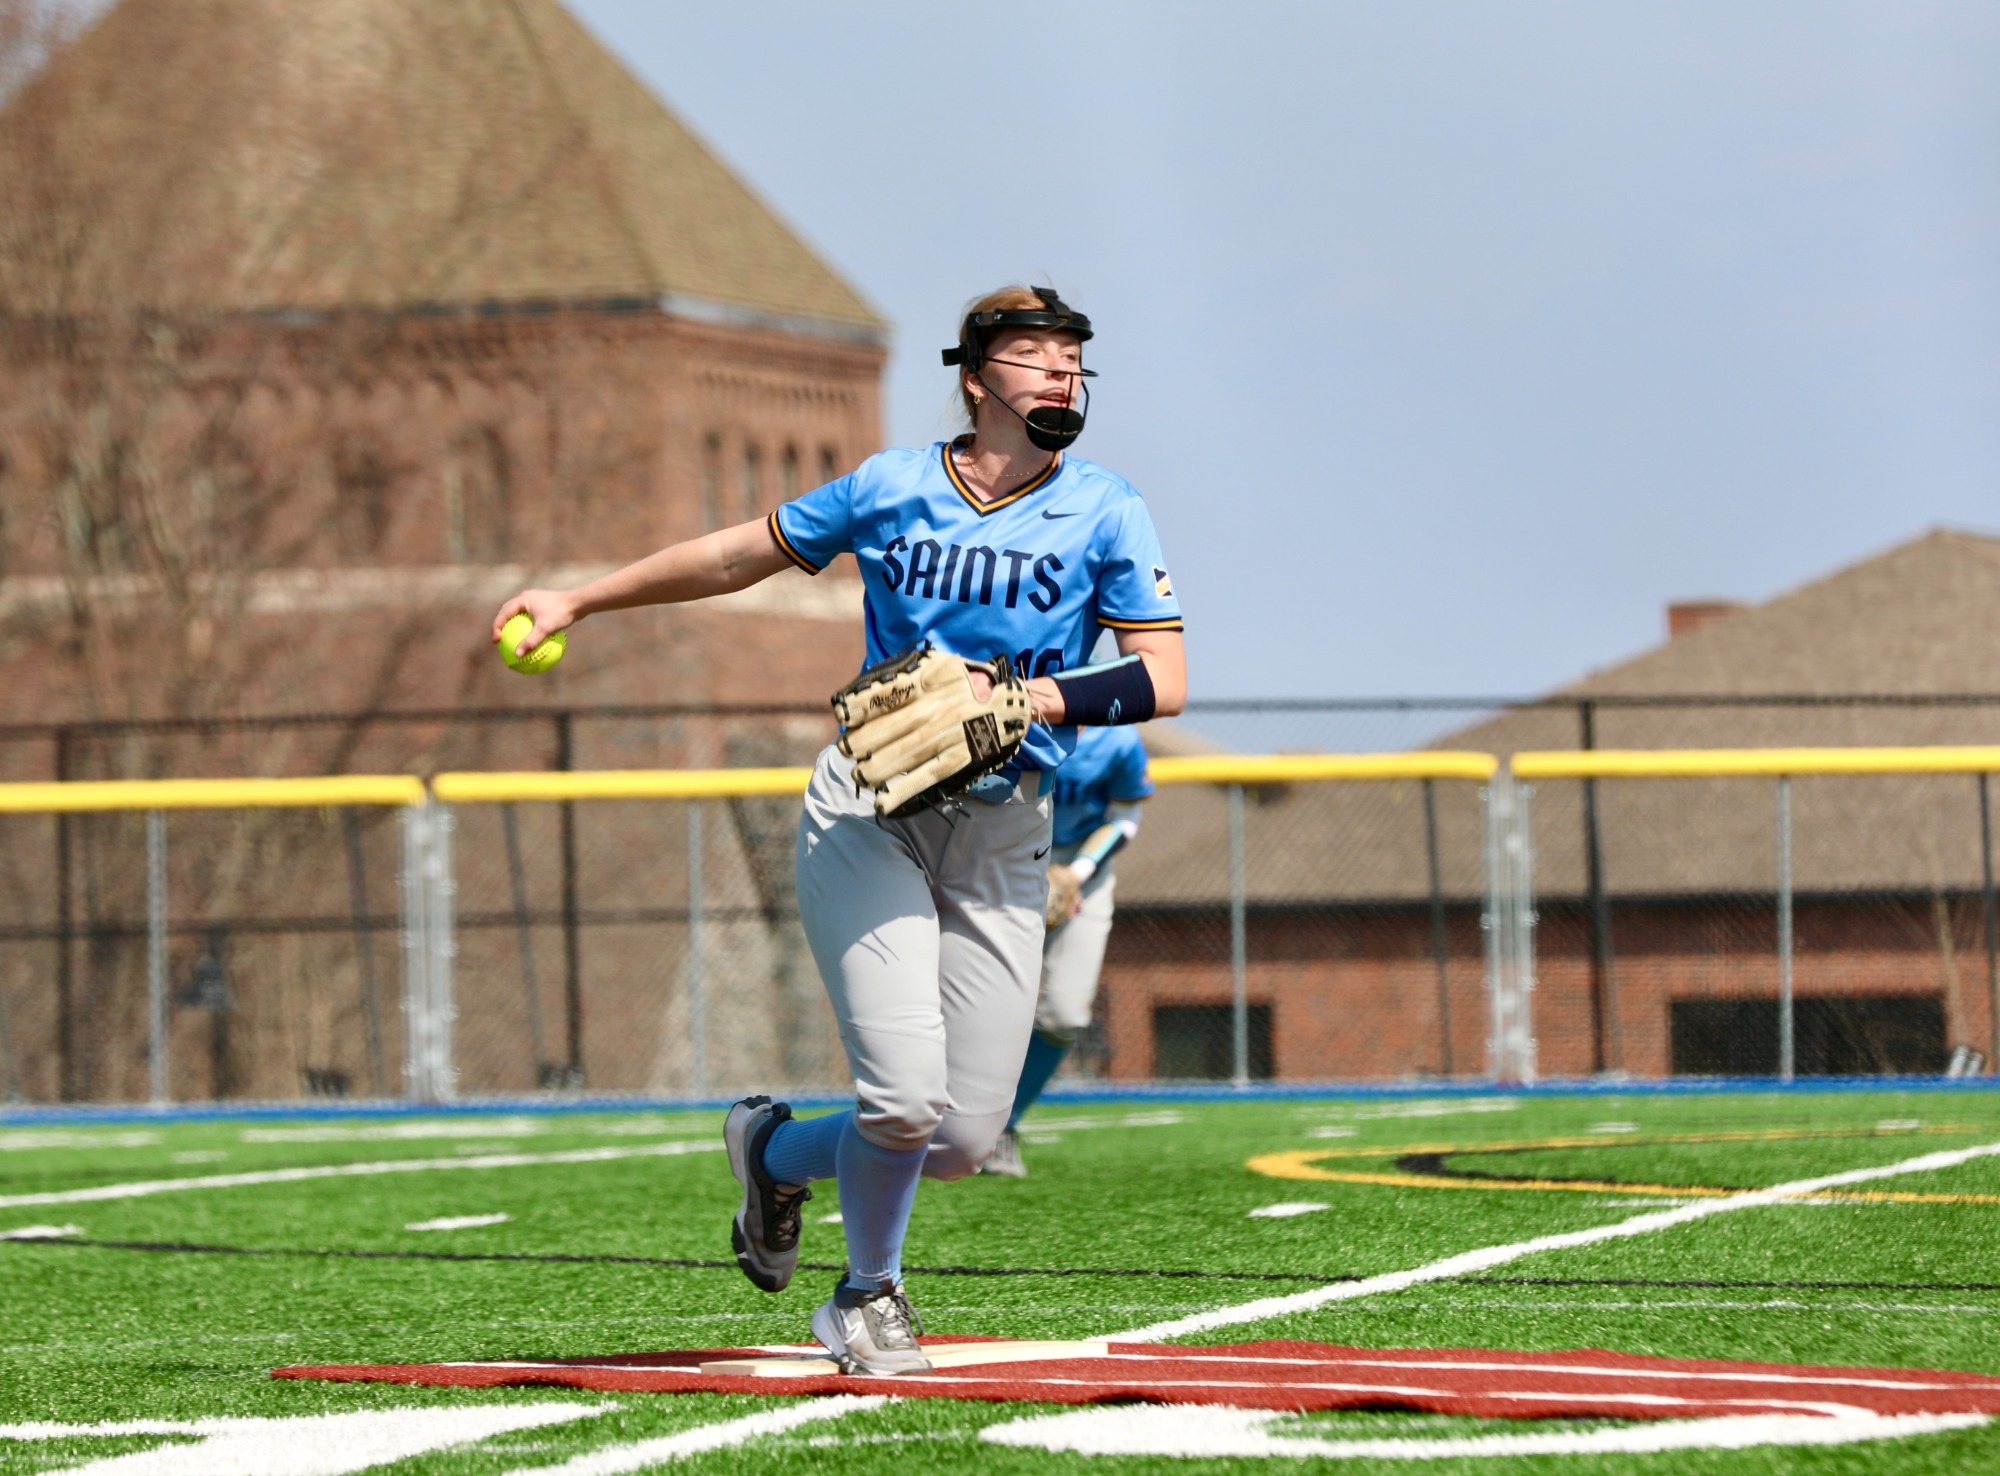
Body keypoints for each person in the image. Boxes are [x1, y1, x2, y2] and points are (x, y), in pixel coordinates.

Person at [491, 284, 1186, 1375]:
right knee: (903, 1098)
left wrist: (1028, 701)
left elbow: (1164, 679)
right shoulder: (892, 486)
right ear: (974, 377)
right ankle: (867, 1297)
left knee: (957, 1139)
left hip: (1005, 831)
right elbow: (737, 553)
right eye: (1034, 356)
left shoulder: (1106, 507)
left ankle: (771, 1152)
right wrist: (581, 598)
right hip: (872, 808)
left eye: (1070, 360)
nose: (1059, 375)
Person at [981, 722, 1152, 1178]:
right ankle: (957, 1118)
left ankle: (1001, 1125)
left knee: (1064, 1015)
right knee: (978, 1002)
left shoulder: (1118, 740)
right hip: (1005, 863)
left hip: (1083, 872)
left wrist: (1076, 873)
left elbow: (1124, 816)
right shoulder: (1011, 720)